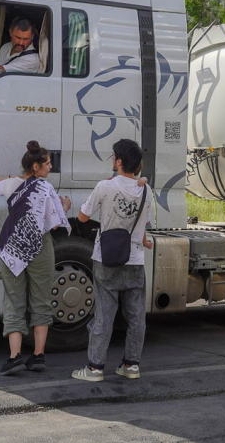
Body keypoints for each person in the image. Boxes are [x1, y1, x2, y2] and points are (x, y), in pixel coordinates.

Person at [0, 141, 72, 376]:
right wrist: (64, 206)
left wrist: (13, 177)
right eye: (47, 163)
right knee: (41, 300)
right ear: (36, 166)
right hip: (40, 248)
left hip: (12, 247)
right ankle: (38, 356)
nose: (50, 167)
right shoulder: (45, 188)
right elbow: (54, 224)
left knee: (14, 301)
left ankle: (14, 357)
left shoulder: (12, 184)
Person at [72, 139, 153, 382]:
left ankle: (95, 368)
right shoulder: (147, 190)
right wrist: (144, 240)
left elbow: (83, 217)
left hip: (106, 259)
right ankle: (131, 365)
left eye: (112, 156)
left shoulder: (105, 187)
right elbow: (143, 224)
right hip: (135, 259)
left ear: (118, 161)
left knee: (104, 316)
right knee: (136, 316)